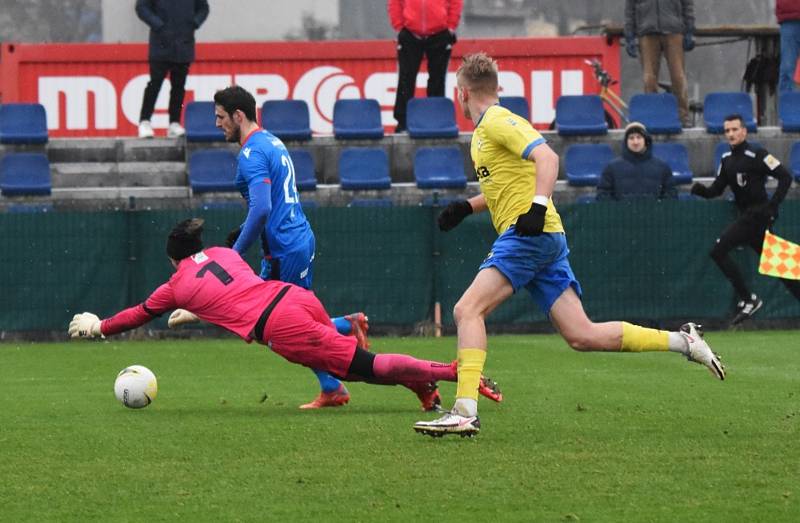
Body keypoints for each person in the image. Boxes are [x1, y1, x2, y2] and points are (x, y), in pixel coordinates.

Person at [413, 53, 724, 439]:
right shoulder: (485, 131)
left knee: (466, 310)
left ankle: (463, 411)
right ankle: (683, 341)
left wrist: (538, 207)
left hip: (530, 235)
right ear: (497, 87)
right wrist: (466, 207)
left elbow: (547, 157)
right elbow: (509, 185)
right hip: (543, 236)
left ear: (461, 93)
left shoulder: (497, 120)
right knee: (582, 334)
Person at [67, 218, 503, 412]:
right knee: (349, 366)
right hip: (291, 296)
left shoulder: (174, 284)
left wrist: (98, 326)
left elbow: (140, 314)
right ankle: (424, 388)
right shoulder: (220, 252)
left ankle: (453, 372)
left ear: (171, 258)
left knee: (361, 369)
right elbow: (230, 291)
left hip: (279, 326)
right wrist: (199, 313)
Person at [170, 85, 367, 410]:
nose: (217, 124)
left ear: (238, 115)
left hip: (285, 247)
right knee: (278, 325)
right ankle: (334, 378)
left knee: (281, 330)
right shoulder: (270, 141)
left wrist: (233, 255)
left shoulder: (252, 154)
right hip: (292, 238)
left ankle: (345, 334)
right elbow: (267, 205)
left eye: (220, 117)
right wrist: (247, 231)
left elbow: (261, 209)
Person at [690, 114, 799, 325]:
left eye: (734, 129)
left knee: (718, 251)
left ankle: (749, 299)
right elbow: (716, 190)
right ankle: (749, 298)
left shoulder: (757, 154)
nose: (730, 134)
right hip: (749, 219)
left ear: (744, 131)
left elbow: (785, 176)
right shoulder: (727, 161)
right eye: (727, 130)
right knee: (783, 267)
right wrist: (700, 190)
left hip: (756, 217)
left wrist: (772, 206)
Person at [135, 0, 209, 139]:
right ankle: (144, 122)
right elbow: (141, 7)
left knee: (179, 86)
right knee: (154, 84)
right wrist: (158, 24)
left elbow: (203, 8)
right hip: (160, 44)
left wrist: (194, 23)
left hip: (184, 43)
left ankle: (174, 123)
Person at [388, 0, 463, 133]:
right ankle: (403, 122)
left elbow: (455, 2)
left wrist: (451, 25)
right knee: (406, 79)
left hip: (439, 32)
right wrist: (399, 26)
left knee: (437, 80)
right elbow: (395, 2)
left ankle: (435, 120)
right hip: (410, 33)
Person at [624, 0, 695, 127]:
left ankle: (683, 116)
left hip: (674, 30)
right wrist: (629, 34)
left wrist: (690, 28)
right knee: (649, 79)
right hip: (646, 31)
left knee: (678, 77)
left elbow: (687, 4)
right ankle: (653, 115)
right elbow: (630, 8)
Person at [596, 121, 677, 201]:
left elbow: (671, 195)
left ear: (645, 140)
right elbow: (603, 195)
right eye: (631, 138)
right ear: (626, 142)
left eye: (639, 137)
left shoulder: (662, 167)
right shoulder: (611, 168)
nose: (635, 142)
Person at [777, 0, 800, 92]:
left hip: (789, 15)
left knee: (788, 67)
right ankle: (788, 103)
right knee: (788, 67)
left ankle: (788, 103)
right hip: (789, 16)